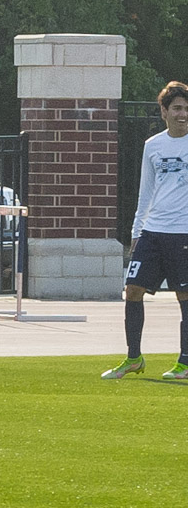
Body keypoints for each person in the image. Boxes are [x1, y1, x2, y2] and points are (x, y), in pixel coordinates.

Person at [102, 80, 188, 380]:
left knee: (184, 295)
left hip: (184, 233)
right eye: (177, 108)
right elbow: (146, 192)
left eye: (187, 109)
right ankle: (133, 358)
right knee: (133, 290)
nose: (183, 114)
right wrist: (137, 232)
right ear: (164, 111)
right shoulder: (153, 146)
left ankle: (185, 363)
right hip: (153, 231)